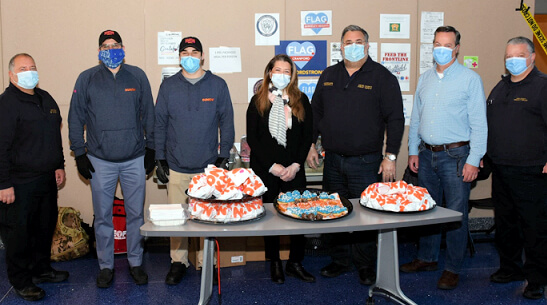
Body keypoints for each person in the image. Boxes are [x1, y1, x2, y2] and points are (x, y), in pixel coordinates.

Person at [306, 25, 404, 285]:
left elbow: (395, 119)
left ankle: (365, 265)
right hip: (333, 159)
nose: (353, 45)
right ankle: (339, 259)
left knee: (365, 215)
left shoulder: (382, 77)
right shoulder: (328, 75)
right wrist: (309, 145)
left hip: (367, 161)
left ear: (368, 46)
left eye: (358, 41)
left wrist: (390, 156)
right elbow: (316, 114)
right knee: (334, 210)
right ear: (340, 46)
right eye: (348, 42)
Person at [68, 30, 155, 288]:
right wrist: (79, 153)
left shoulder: (137, 76)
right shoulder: (87, 78)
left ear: (123, 47)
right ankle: (105, 266)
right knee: (103, 216)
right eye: (106, 46)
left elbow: (149, 113)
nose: (111, 49)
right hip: (99, 160)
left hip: (134, 159)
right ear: (99, 51)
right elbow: (75, 118)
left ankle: (136, 262)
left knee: (135, 214)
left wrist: (152, 149)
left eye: (115, 44)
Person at [402, 26, 487, 290]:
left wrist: (474, 159)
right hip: (426, 155)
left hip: (457, 157)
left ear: (457, 48)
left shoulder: (470, 79)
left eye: (447, 45)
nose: (441, 49)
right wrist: (413, 151)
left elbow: (480, 124)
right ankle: (427, 258)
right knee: (428, 211)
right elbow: (416, 118)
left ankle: (452, 268)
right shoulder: (424, 78)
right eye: (437, 43)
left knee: (454, 215)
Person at [154, 36, 235, 285]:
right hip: (177, 165)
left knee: (205, 220)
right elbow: (160, 124)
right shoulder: (168, 87)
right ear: (179, 57)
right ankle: (178, 262)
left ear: (202, 56)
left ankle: (205, 263)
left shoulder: (218, 85)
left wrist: (223, 156)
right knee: (176, 220)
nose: (190, 56)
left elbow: (227, 122)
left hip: (208, 167)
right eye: (185, 52)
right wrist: (160, 158)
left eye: (194, 51)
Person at [0, 53, 68, 301]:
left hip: (46, 179)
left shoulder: (45, 98)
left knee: (44, 227)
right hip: (18, 183)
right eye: (23, 68)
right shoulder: (6, 104)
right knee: (19, 234)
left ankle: (41, 270)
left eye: (33, 67)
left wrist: (59, 165)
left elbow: (54, 136)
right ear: (11, 74)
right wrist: (3, 183)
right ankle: (21, 281)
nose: (29, 71)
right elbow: (1, 147)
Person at [486, 36, 547, 300]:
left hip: (532, 170)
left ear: (532, 57)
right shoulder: (501, 86)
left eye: (519, 55)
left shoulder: (542, 86)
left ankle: (537, 279)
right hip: (501, 167)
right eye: (509, 55)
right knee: (506, 223)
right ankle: (510, 268)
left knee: (534, 227)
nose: (512, 60)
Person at [247, 54, 315, 284]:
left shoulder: (301, 100)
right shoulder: (257, 101)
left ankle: (295, 262)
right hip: (267, 171)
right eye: (278, 70)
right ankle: (274, 262)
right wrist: (272, 167)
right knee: (271, 219)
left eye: (287, 71)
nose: (282, 75)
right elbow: (253, 140)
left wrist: (296, 165)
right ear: (269, 72)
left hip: (294, 169)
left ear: (292, 75)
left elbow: (308, 136)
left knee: (299, 216)